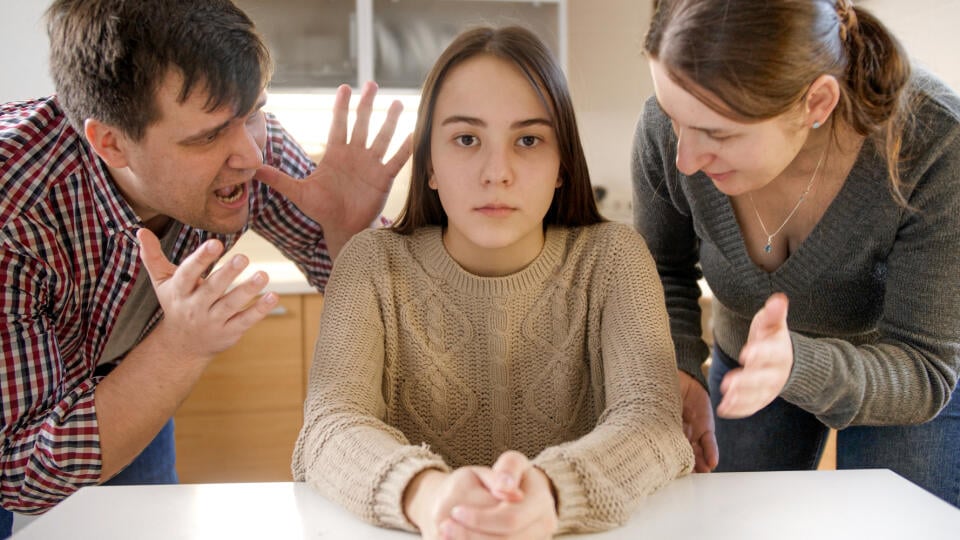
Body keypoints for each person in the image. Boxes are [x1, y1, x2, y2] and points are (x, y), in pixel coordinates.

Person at [0, 0, 410, 533]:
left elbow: (390, 325)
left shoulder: (248, 150)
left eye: (255, 112)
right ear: (112, 143)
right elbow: (21, 472)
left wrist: (350, 238)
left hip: (125, 369)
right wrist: (180, 346)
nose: (248, 152)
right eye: (207, 136)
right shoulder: (15, 207)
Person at [292, 25, 694, 539]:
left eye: (528, 140)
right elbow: (329, 426)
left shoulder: (613, 260)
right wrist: (431, 494)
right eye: (466, 139)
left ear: (562, 166)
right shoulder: (371, 265)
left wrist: (549, 493)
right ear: (430, 165)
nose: (496, 172)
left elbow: (652, 420)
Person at [633, 0, 960, 507]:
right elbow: (662, 269)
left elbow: (924, 367)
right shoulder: (668, 127)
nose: (686, 159)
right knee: (730, 520)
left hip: (899, 375)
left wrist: (798, 366)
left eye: (719, 134)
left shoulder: (935, 143)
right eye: (674, 118)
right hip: (746, 361)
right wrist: (679, 366)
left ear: (817, 103)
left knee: (893, 520)